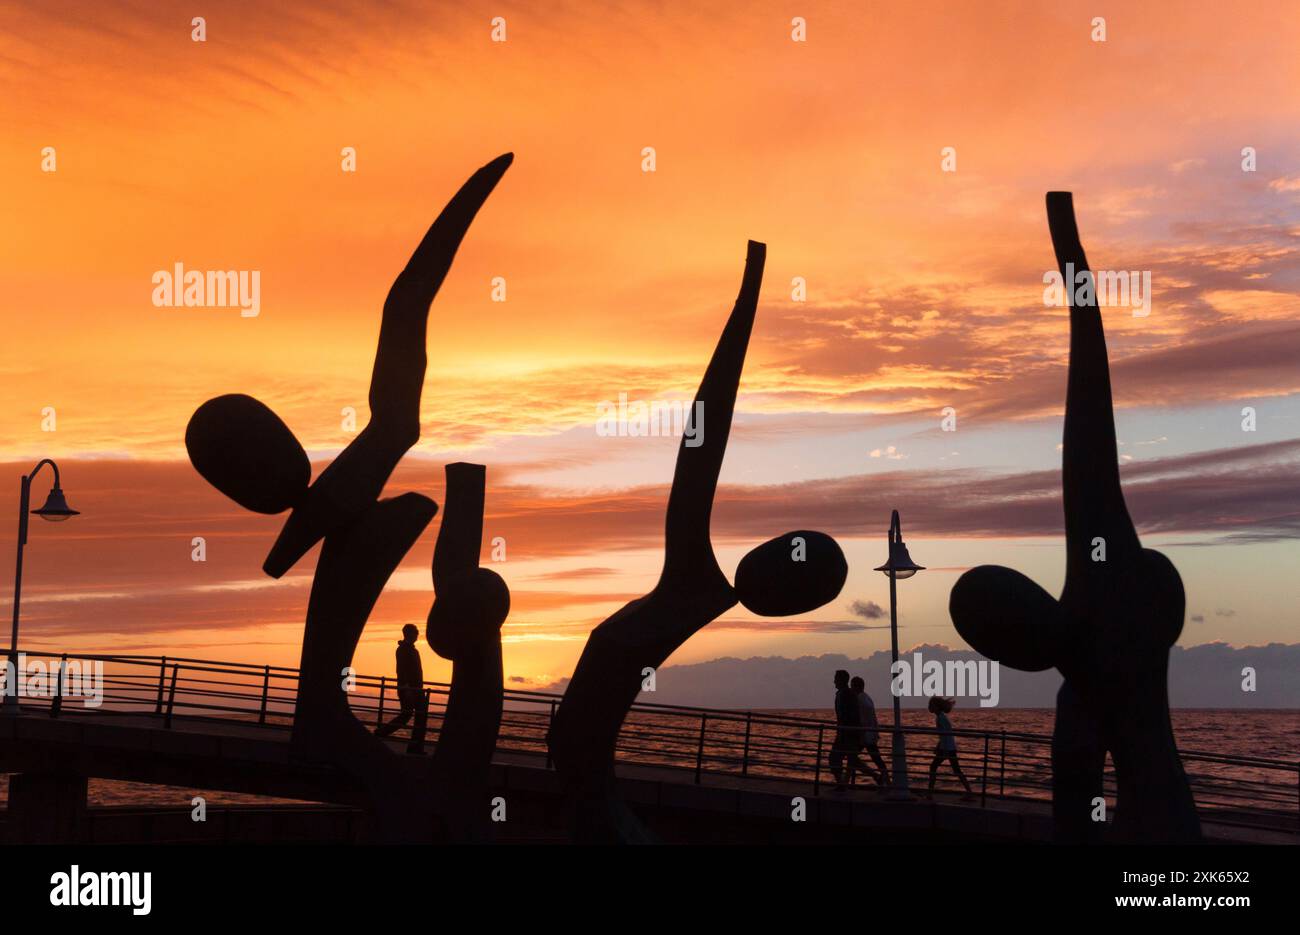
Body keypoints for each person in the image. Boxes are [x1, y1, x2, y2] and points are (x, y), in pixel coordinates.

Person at [375, 624, 428, 754]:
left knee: (419, 715)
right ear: (409, 634)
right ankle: (380, 734)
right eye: (415, 632)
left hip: (416, 689)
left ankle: (415, 747)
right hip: (409, 689)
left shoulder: (412, 650)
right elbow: (401, 671)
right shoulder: (403, 650)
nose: (417, 635)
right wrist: (406, 688)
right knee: (407, 715)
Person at [926, 696, 974, 799]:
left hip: (947, 748)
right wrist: (938, 746)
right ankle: (969, 791)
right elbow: (944, 735)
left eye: (931, 705)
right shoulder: (941, 717)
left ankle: (930, 793)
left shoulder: (940, 718)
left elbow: (946, 735)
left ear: (937, 707)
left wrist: (944, 750)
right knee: (956, 770)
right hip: (947, 747)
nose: (929, 707)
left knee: (934, 767)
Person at [829, 669, 866, 790]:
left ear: (841, 680)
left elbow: (854, 715)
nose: (834, 681)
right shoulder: (842, 694)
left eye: (836, 678)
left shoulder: (848, 695)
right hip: (845, 732)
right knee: (851, 759)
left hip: (848, 733)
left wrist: (855, 731)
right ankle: (842, 783)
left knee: (838, 758)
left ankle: (842, 784)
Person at [850, 675, 889, 787]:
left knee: (853, 757)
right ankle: (885, 780)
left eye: (852, 686)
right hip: (871, 733)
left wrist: (861, 735)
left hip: (865, 735)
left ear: (856, 687)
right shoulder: (867, 698)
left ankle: (881, 779)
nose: (851, 689)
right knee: (876, 759)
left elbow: (863, 720)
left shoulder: (860, 700)